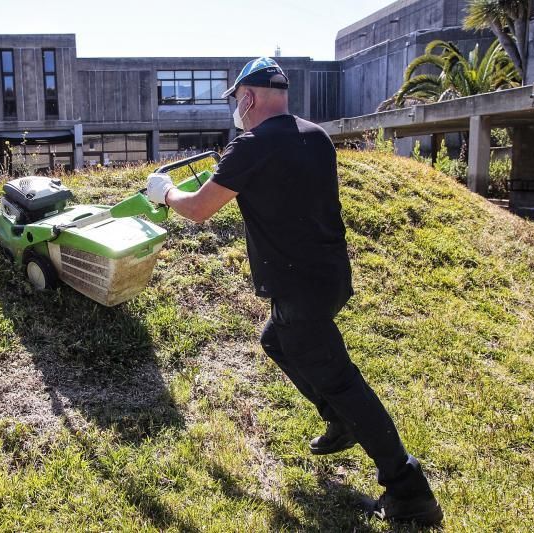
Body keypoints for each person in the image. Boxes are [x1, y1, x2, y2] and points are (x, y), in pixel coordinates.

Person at [145, 57, 443, 526]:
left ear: (248, 97)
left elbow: (199, 208)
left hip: (298, 287)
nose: (236, 110)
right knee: (276, 341)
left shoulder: (252, 145)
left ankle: (409, 489)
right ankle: (338, 418)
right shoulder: (316, 136)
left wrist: (164, 192)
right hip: (329, 276)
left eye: (236, 101)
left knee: (343, 382)